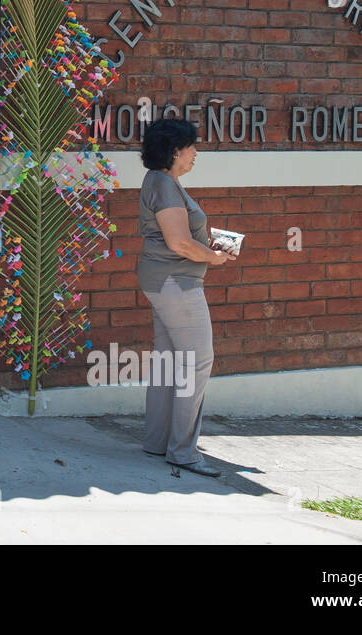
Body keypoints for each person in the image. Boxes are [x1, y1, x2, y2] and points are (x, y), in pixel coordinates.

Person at [137, 118, 237, 478]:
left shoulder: (162, 181)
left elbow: (179, 237)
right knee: (197, 362)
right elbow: (178, 243)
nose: (197, 152)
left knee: (168, 361)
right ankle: (183, 452)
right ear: (175, 150)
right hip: (177, 283)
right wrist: (213, 257)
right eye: (192, 146)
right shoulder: (164, 185)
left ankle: (158, 441)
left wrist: (207, 249)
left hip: (163, 280)